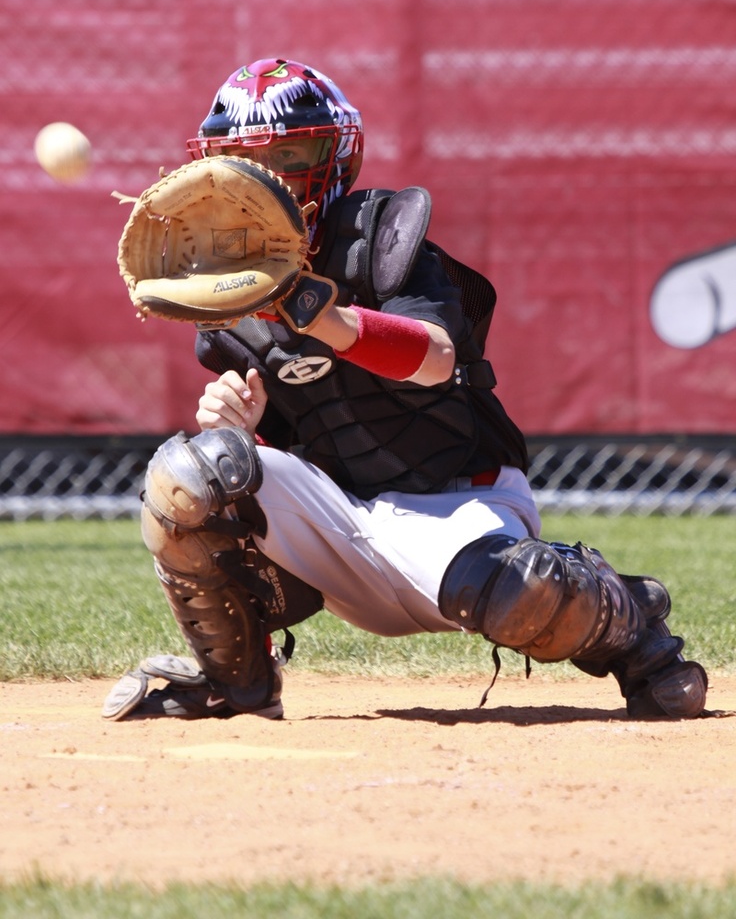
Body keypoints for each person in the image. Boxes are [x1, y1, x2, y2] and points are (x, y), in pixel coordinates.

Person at [103, 57, 708, 723]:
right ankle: (236, 681)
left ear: (336, 156)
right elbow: (298, 446)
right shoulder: (223, 305)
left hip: (454, 507)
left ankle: (632, 620)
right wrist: (245, 423)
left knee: (521, 592)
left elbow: (436, 360)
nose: (272, 174)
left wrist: (319, 313)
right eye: (249, 157)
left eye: (293, 150)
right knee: (189, 473)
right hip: (342, 524)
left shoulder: (383, 240)